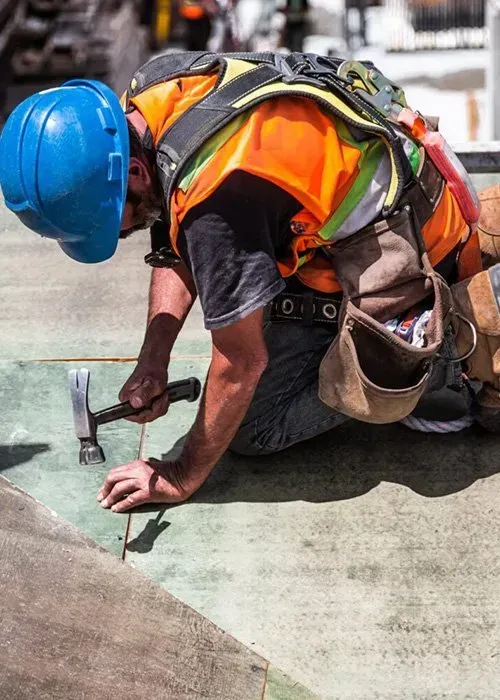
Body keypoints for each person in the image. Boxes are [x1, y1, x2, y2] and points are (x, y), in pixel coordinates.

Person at [0, 52, 498, 514]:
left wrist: (180, 474)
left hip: (408, 247)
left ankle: (458, 340)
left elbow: (241, 361)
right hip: (370, 206)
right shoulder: (155, 95)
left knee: (258, 425)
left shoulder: (220, 198)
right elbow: (174, 238)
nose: (124, 231)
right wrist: (153, 360)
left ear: (133, 170)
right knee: (246, 312)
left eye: (116, 220)